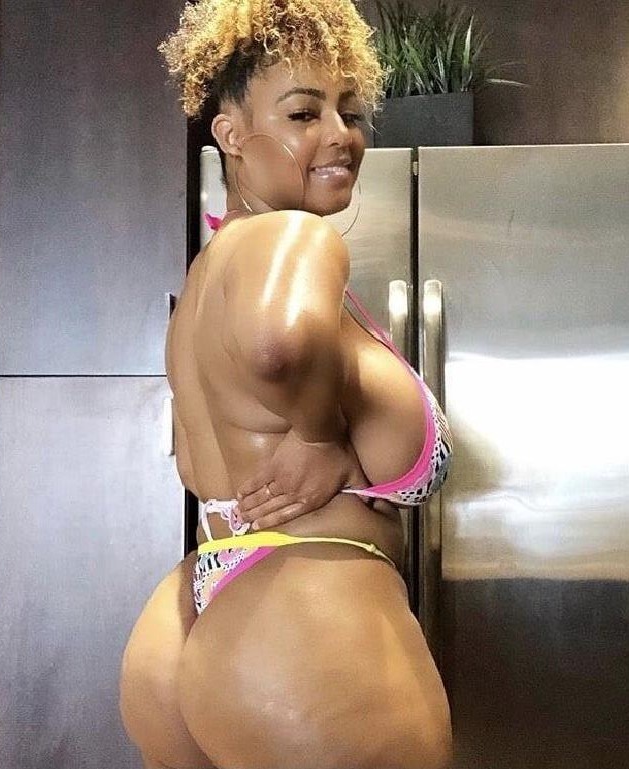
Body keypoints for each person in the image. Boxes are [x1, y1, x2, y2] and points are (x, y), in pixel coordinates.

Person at [119, 1, 454, 767]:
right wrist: (316, 433)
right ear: (230, 134)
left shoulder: (208, 274)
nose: (340, 134)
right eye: (303, 113)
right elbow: (281, 341)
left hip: (198, 611)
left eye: (350, 111)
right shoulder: (293, 235)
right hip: (304, 625)